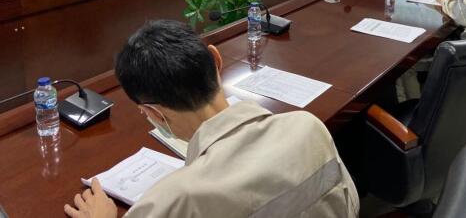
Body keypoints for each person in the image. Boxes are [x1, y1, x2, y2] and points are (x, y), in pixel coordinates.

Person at [64, 20, 359, 218]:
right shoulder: (309, 127)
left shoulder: (173, 200)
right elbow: (351, 205)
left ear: (154, 113)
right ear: (216, 61)